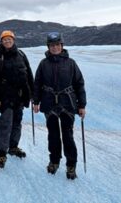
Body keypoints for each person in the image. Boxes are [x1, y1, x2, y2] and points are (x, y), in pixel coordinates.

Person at [32, 32, 86, 180]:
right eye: (52, 45)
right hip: (49, 103)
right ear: (48, 47)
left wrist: (82, 105)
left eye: (57, 45)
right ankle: (54, 161)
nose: (55, 47)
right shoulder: (43, 64)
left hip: (67, 104)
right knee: (53, 135)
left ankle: (71, 165)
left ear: (61, 46)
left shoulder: (71, 63)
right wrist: (35, 101)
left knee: (68, 136)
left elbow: (79, 84)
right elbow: (37, 84)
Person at [0, 30, 34, 168]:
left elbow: (29, 74)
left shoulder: (21, 54)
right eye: (4, 40)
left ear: (13, 40)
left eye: (9, 39)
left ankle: (13, 146)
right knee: (5, 124)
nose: (7, 41)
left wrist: (31, 94)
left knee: (17, 123)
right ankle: (2, 153)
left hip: (19, 96)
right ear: (1, 42)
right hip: (5, 97)